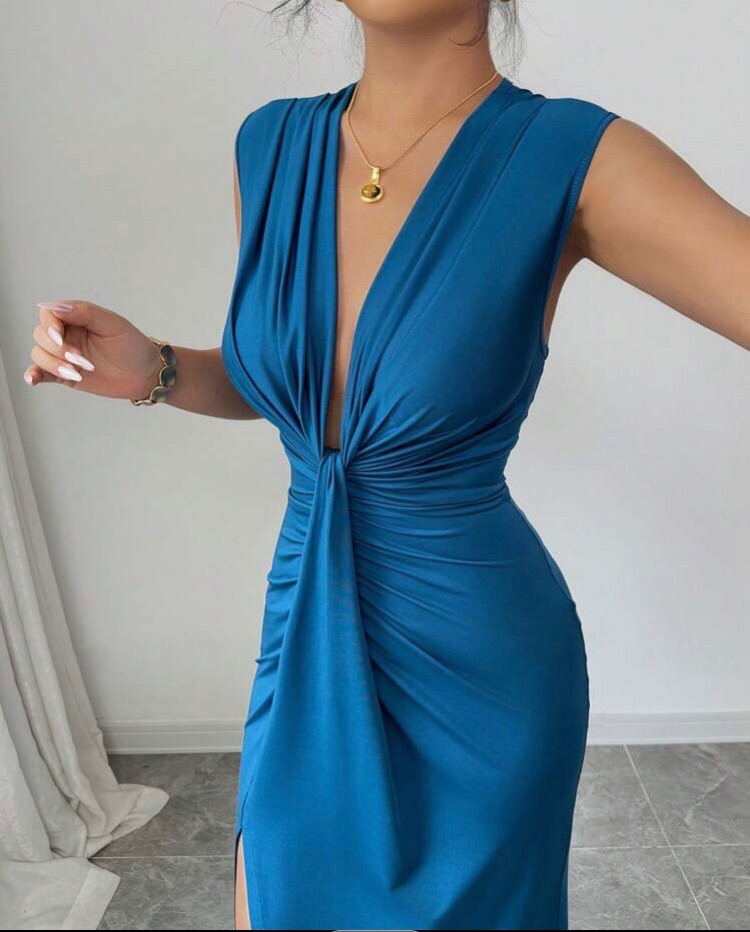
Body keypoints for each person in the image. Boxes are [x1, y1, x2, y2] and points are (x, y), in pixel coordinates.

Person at [25, 2, 749, 929]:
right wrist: (160, 370)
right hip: (307, 628)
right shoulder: (270, 145)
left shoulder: (578, 155)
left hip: (480, 670)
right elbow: (313, 394)